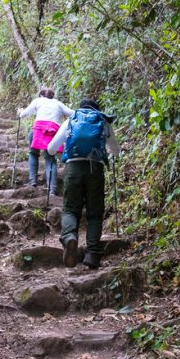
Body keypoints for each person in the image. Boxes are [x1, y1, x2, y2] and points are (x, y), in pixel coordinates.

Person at [47, 99, 119, 269]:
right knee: (95, 212)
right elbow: (115, 150)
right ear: (97, 109)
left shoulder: (71, 120)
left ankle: (70, 237)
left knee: (71, 209)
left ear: (80, 108)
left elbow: (51, 148)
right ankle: (92, 254)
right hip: (96, 169)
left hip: (73, 167)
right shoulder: (103, 121)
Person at [17, 87, 74, 195]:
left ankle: (33, 181)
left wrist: (20, 112)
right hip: (52, 132)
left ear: (41, 95)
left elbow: (24, 114)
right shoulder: (58, 104)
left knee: (33, 154)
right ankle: (52, 190)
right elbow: (72, 113)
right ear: (53, 96)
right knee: (50, 159)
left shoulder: (38, 101)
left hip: (38, 129)